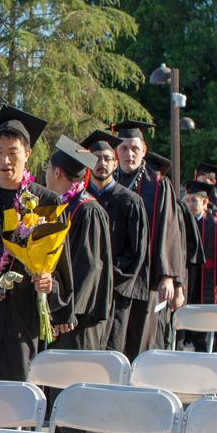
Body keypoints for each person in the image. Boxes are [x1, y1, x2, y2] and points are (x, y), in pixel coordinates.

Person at [0, 106, 73, 386]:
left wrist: (50, 283)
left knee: (18, 382)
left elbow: (60, 264)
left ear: (27, 154)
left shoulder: (46, 201)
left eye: (12, 152)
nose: (5, 160)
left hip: (22, 310)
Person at [107, 121, 183, 358]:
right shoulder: (108, 181)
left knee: (140, 342)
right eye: (123, 148)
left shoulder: (158, 185)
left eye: (134, 149)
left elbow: (169, 230)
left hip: (146, 278)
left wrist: (168, 277)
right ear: (116, 151)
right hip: (115, 276)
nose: (129, 154)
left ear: (144, 151)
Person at [79, 130, 149, 353]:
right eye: (96, 158)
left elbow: (135, 252)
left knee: (111, 351)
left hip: (115, 293)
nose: (102, 163)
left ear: (115, 163)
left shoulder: (130, 201)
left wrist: (106, 277)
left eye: (108, 158)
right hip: (83, 292)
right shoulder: (79, 199)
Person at [45, 138, 116, 351]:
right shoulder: (63, 205)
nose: (45, 173)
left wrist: (67, 309)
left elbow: (89, 267)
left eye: (47, 168)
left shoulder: (88, 210)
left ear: (57, 173)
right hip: (62, 312)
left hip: (77, 319)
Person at [182, 180, 217, 350]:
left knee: (205, 313)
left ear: (205, 202)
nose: (190, 204)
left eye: (194, 200)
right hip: (188, 276)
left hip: (208, 277)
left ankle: (205, 347)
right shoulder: (182, 221)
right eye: (188, 200)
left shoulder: (216, 223)